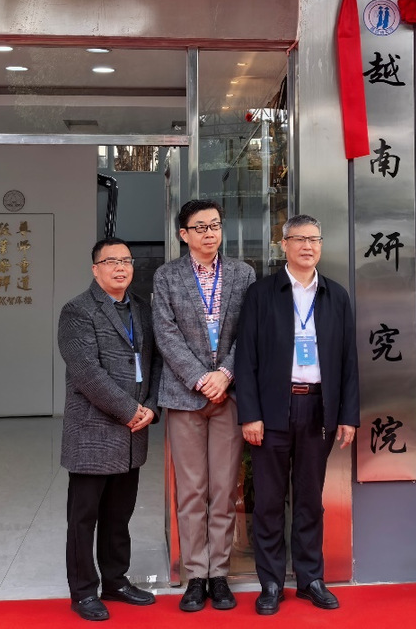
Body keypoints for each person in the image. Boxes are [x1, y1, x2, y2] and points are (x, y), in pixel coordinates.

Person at [234, 214, 359, 616]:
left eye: (314, 239)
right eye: (299, 239)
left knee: (309, 500)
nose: (307, 246)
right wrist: (250, 414)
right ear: (283, 244)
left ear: (321, 245)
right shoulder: (262, 294)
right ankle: (271, 582)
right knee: (269, 501)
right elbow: (246, 358)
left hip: (318, 409)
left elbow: (348, 361)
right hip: (273, 409)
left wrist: (348, 415)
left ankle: (310, 579)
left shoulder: (335, 295)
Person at [152, 200, 256, 612]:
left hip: (229, 395)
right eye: (200, 227)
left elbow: (249, 333)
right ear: (184, 234)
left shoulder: (243, 274)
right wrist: (200, 378)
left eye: (215, 225)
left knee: (224, 488)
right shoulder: (167, 276)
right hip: (185, 396)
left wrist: (224, 375)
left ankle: (219, 574)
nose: (210, 233)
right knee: (192, 490)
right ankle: (196, 574)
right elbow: (165, 334)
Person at [59, 238, 162, 622]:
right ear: (95, 269)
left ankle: (116, 581)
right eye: (111, 261)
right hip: (93, 431)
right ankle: (83, 591)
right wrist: (129, 410)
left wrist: (150, 407)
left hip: (133, 432)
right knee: (83, 518)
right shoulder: (77, 311)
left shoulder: (142, 308)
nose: (120, 268)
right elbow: (87, 373)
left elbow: (155, 363)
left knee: (119, 516)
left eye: (126, 261)